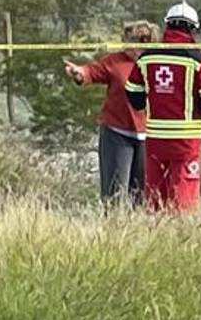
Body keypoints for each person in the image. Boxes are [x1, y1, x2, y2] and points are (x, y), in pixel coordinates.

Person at [125, 0, 201, 212]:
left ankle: (156, 239)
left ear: (167, 26)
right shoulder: (199, 60)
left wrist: (150, 105)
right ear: (193, 29)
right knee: (183, 200)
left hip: (155, 139)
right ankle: (180, 239)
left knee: (154, 197)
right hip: (186, 142)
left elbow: (133, 93)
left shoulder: (146, 57)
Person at [63, 21, 156, 207]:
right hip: (117, 134)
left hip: (150, 135)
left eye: (142, 39)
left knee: (143, 197)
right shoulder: (115, 61)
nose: (134, 44)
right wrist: (79, 73)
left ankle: (140, 232)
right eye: (130, 39)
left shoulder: (157, 64)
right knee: (115, 195)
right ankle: (114, 231)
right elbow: (92, 71)